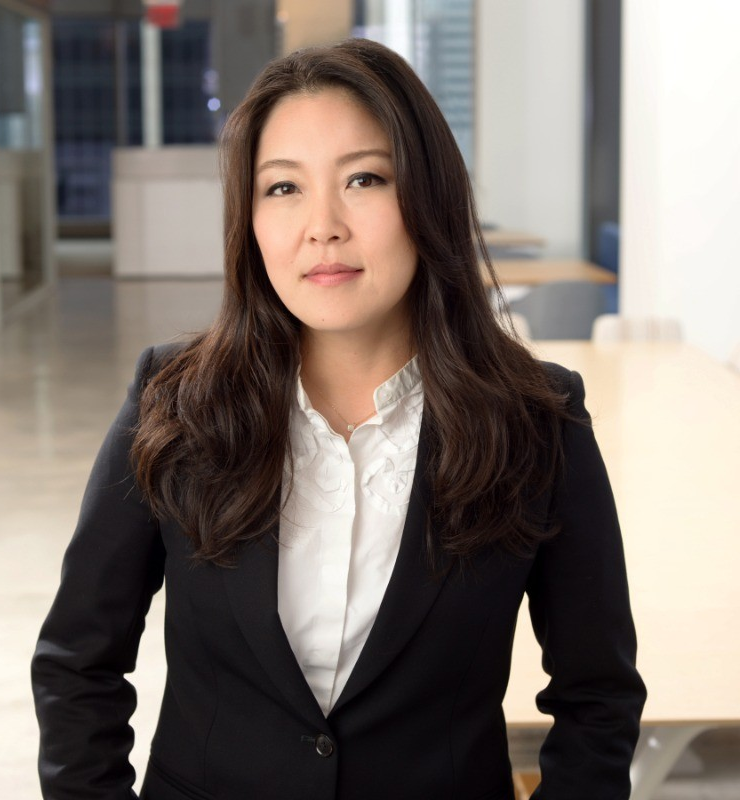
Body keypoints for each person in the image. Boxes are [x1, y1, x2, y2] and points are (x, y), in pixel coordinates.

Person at [32, 38, 646, 800]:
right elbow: (77, 665)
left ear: (429, 196)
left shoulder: (537, 423)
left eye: (364, 178)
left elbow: (598, 697)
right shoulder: (176, 401)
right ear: (249, 219)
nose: (321, 226)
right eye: (282, 188)